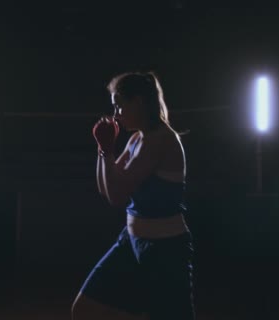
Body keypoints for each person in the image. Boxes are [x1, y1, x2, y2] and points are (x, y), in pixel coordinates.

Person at [72, 72, 195, 320]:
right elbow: (106, 188)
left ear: (138, 102)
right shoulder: (138, 139)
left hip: (164, 250)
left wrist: (107, 152)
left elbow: (117, 196)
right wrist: (102, 150)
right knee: (84, 309)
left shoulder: (160, 141)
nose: (116, 113)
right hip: (131, 241)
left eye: (119, 105)